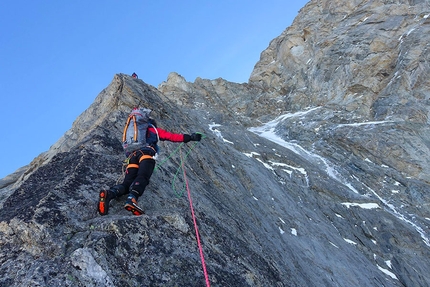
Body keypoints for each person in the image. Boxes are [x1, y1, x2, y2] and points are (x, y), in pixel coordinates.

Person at [98, 107, 202, 216]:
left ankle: (110, 194)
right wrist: (190, 137)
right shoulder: (152, 129)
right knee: (143, 177)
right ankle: (132, 199)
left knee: (127, 183)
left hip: (132, 157)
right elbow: (171, 136)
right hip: (146, 154)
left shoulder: (132, 130)